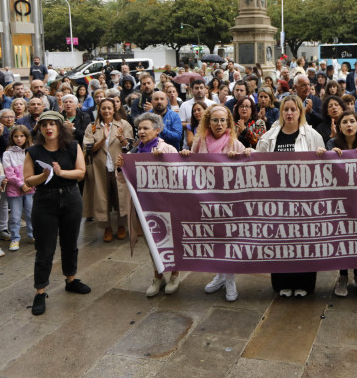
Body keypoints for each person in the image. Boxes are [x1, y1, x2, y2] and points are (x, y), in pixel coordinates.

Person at [179, 105, 251, 301]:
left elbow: (249, 166)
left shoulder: (235, 143)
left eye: (222, 120)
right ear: (208, 122)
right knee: (213, 238)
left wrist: (248, 153)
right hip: (206, 200)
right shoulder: (199, 142)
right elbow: (191, 167)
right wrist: (185, 155)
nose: (219, 124)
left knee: (228, 239)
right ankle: (220, 275)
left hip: (229, 201)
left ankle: (230, 280)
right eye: (215, 120)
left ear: (228, 123)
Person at [256, 95, 325, 297]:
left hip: (304, 199)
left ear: (300, 112)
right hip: (277, 199)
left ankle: (304, 283)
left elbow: (322, 167)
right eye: (285, 109)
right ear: (281, 112)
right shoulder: (269, 137)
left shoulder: (312, 136)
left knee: (304, 241)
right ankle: (282, 283)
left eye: (293, 109)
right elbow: (259, 164)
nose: (289, 113)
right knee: (280, 241)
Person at [22, 111, 89, 316]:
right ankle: (40, 291)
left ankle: (70, 279)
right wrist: (43, 176)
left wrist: (60, 173)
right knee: (45, 248)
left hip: (70, 197)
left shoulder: (73, 146)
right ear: (40, 129)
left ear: (60, 127)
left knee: (70, 243)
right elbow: (28, 180)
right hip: (45, 200)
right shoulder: (33, 151)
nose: (48, 128)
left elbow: (81, 173)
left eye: (52, 124)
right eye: (44, 125)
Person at [116, 112, 182, 297]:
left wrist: (163, 161)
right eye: (139, 129)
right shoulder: (134, 152)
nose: (142, 132)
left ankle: (175, 274)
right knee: (152, 240)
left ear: (157, 130)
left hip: (166, 203)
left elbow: (179, 176)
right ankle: (158, 275)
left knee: (171, 239)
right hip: (144, 204)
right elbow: (122, 180)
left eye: (146, 128)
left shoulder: (168, 149)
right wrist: (120, 166)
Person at [317, 110, 357, 297]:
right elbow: (323, 164)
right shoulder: (332, 144)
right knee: (342, 235)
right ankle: (342, 276)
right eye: (345, 122)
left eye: (352, 121)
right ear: (339, 127)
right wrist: (328, 155)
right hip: (339, 199)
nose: (349, 125)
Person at [83, 98, 134, 243]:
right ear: (99, 110)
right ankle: (107, 228)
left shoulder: (123, 124)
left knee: (121, 197)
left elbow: (130, 147)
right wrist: (102, 139)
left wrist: (122, 139)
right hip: (100, 168)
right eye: (103, 108)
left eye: (109, 108)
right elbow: (88, 148)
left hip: (119, 167)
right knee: (102, 197)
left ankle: (121, 225)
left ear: (114, 109)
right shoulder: (92, 127)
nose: (106, 111)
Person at [3, 125, 33, 251]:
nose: (19, 139)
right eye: (16, 136)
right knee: (15, 216)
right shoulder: (7, 153)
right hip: (14, 189)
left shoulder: (31, 150)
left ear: (26, 137)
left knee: (31, 213)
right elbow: (9, 173)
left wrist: (29, 184)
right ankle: (15, 238)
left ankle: (32, 235)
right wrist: (21, 184)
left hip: (30, 188)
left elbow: (34, 169)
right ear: (12, 137)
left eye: (22, 136)